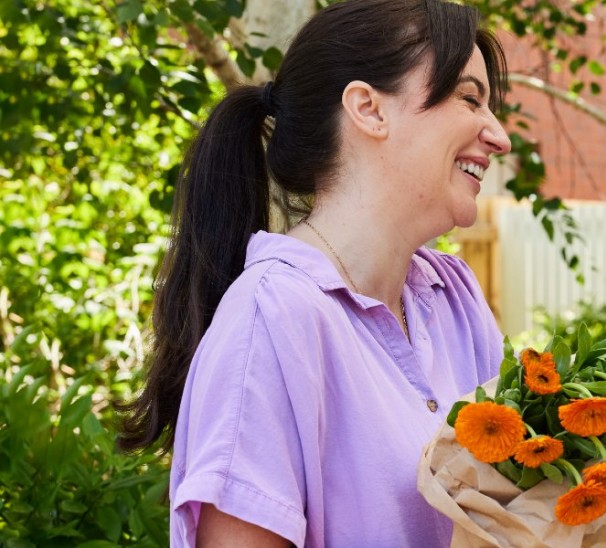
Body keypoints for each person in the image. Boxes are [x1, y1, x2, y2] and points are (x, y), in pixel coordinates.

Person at [115, 0, 511, 545]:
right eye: (470, 98)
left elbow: (544, 490)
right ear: (369, 109)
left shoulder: (453, 300)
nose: (498, 135)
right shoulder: (271, 319)